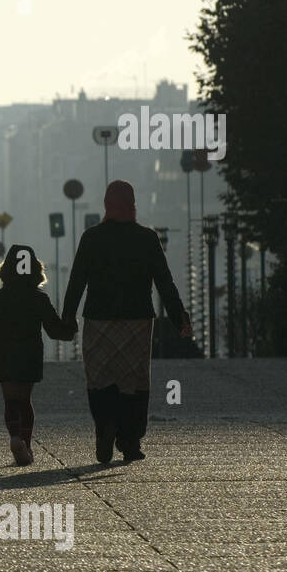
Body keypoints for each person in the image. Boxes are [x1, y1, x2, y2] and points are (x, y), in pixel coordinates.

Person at [61, 179, 193, 464]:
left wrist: (68, 317)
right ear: (132, 205)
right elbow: (164, 281)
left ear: (106, 205)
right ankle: (130, 441)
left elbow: (77, 281)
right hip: (137, 321)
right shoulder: (146, 238)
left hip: (98, 320)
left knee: (100, 379)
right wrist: (178, 315)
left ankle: (105, 426)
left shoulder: (91, 238)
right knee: (133, 382)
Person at [0, 244, 77, 466]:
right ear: (34, 270)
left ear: (6, 269)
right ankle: (26, 442)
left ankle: (15, 437)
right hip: (29, 355)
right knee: (24, 400)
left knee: (10, 400)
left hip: (3, 355)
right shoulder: (38, 298)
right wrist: (71, 328)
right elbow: (54, 330)